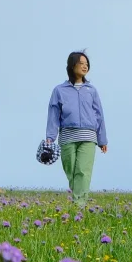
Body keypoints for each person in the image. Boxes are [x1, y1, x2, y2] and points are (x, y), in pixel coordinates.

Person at [45, 52, 107, 205]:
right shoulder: (59, 90)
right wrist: (50, 136)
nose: (85, 66)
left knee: (82, 172)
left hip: (88, 136)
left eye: (87, 64)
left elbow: (99, 115)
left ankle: (79, 206)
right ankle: (78, 200)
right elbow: (54, 113)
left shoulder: (91, 90)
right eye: (81, 63)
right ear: (72, 65)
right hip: (67, 137)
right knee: (71, 172)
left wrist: (102, 139)